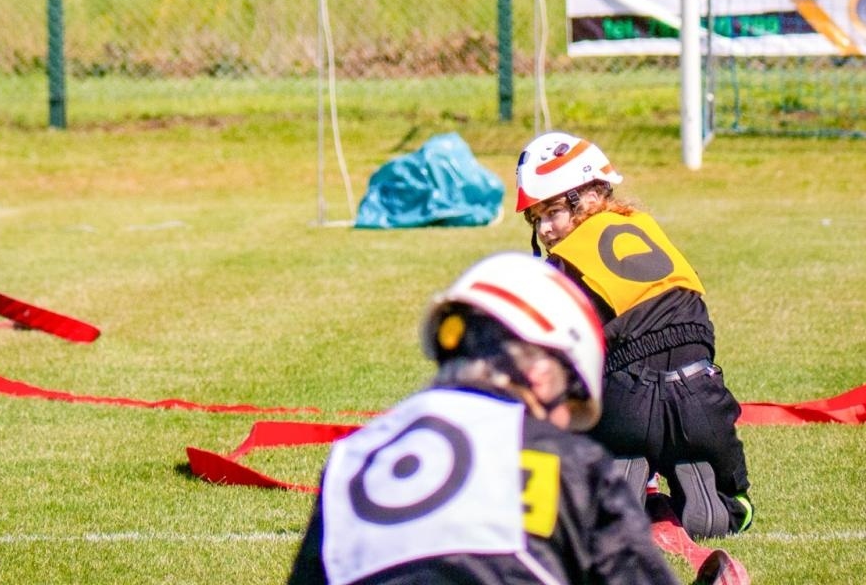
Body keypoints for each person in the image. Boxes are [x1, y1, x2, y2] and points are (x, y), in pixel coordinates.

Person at [287, 251, 735, 585]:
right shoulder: (568, 465)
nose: (563, 424)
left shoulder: (352, 460)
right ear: (543, 375)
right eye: (569, 406)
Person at [516, 134, 753, 540]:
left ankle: (620, 479)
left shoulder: (563, 266)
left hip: (625, 403)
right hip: (703, 393)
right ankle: (720, 498)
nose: (546, 229)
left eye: (552, 212)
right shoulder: (644, 227)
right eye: (537, 219)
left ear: (589, 198)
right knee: (738, 501)